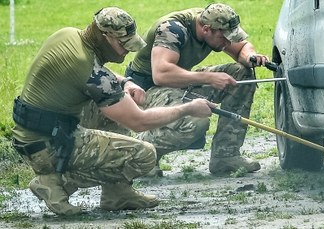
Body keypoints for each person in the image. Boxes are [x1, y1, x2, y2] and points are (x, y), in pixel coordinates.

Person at [11, 6, 214, 216]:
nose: (127, 50)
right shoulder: (93, 74)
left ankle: (118, 193)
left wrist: (125, 82)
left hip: (38, 133)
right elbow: (139, 121)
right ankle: (56, 183)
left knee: (117, 107)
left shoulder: (69, 35)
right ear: (104, 36)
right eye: (123, 44)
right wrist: (188, 108)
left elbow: (94, 71)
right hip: (48, 147)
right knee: (144, 154)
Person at [124, 3, 269, 176]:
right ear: (206, 30)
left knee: (240, 73)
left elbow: (242, 47)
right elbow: (161, 74)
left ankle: (226, 156)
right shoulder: (172, 29)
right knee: (195, 122)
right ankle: (140, 154)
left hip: (179, 81)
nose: (228, 42)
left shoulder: (216, 22)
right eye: (224, 38)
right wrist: (209, 78)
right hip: (148, 88)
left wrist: (250, 57)